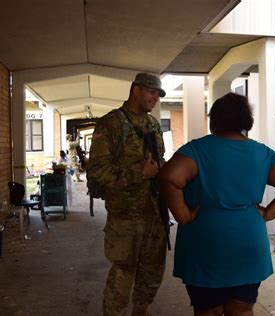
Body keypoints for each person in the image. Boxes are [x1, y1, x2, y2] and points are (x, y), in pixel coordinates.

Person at [158, 92, 275, 316]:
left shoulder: (196, 150)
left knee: (209, 310)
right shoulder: (261, 152)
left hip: (206, 241)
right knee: (243, 309)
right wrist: (268, 213)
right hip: (248, 239)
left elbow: (169, 177)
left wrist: (183, 215)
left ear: (214, 120)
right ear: (246, 121)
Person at [87, 72, 168, 316]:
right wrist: (139, 173)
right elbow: (98, 170)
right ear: (136, 90)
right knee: (123, 273)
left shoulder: (153, 124)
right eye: (152, 92)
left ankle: (140, 311)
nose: (155, 98)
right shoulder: (110, 123)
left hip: (154, 212)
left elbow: (159, 160)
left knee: (152, 272)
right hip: (125, 216)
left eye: (158, 94)